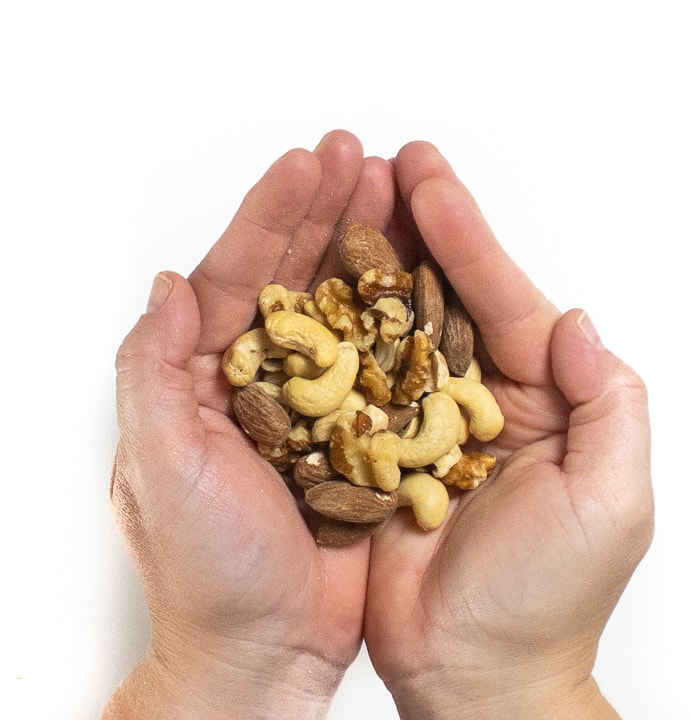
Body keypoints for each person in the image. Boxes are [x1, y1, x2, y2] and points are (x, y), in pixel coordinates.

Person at [102, 130, 653, 719]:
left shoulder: (408, 399)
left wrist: (222, 662)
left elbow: (420, 420)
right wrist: (510, 683)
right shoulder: (335, 383)